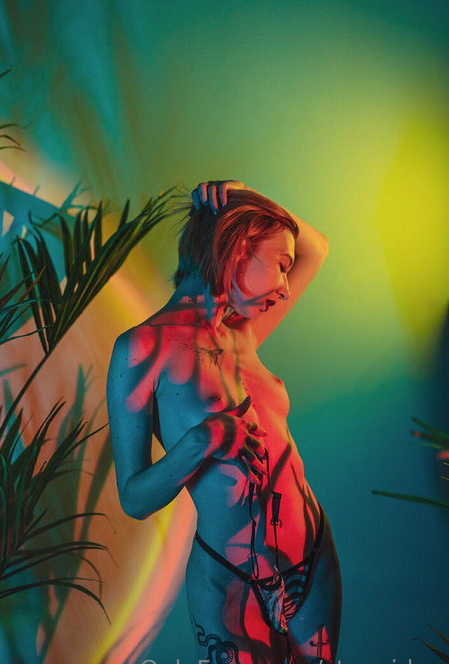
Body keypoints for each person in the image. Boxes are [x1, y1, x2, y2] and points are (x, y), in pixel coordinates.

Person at [106, 180, 342, 664]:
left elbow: (316, 246)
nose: (285, 286)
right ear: (238, 246)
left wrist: (242, 194)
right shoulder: (140, 348)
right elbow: (134, 498)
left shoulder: (243, 334)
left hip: (311, 555)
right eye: (281, 265)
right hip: (230, 580)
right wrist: (202, 440)